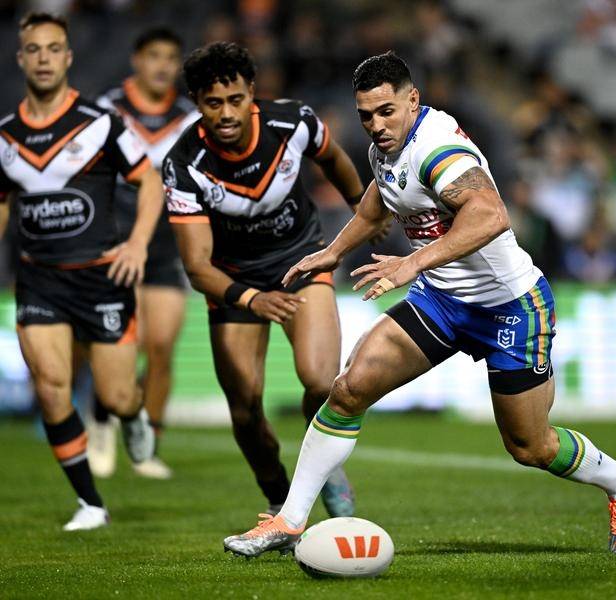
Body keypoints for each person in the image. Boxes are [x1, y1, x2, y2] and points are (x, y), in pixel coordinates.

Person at [222, 51, 616, 558]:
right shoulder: (385, 148)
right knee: (348, 389)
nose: (376, 125)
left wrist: (412, 264)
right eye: (365, 115)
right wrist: (334, 251)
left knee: (530, 446)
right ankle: (289, 522)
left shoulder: (439, 149)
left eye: (386, 111)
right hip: (443, 301)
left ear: (413, 100)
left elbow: (491, 214)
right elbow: (380, 200)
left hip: (510, 306)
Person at [163, 42, 367, 523]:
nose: (227, 113)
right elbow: (197, 267)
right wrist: (253, 299)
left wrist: (362, 204)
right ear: (197, 102)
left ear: (251, 92)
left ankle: (327, 470)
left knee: (322, 381)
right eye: (214, 103)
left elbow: (333, 157)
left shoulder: (292, 122)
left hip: (300, 262)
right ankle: (278, 496)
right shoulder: (184, 164)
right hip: (234, 283)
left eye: (235, 99)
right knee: (245, 410)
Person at [0, 12, 162, 530]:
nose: (43, 58)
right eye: (34, 49)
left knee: (115, 396)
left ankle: (132, 414)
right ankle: (91, 503)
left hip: (102, 278)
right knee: (51, 385)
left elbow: (151, 182)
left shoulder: (101, 123)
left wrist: (137, 243)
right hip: (40, 279)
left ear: (68, 57)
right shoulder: (4, 137)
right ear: (20, 57)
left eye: (53, 48)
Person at [87, 27, 198, 480]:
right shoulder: (105, 109)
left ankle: (147, 445)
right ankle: (100, 423)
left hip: (168, 243)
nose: (162, 66)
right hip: (116, 239)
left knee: (161, 347)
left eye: (171, 57)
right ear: (137, 59)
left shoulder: (191, 117)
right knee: (118, 343)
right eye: (154, 56)